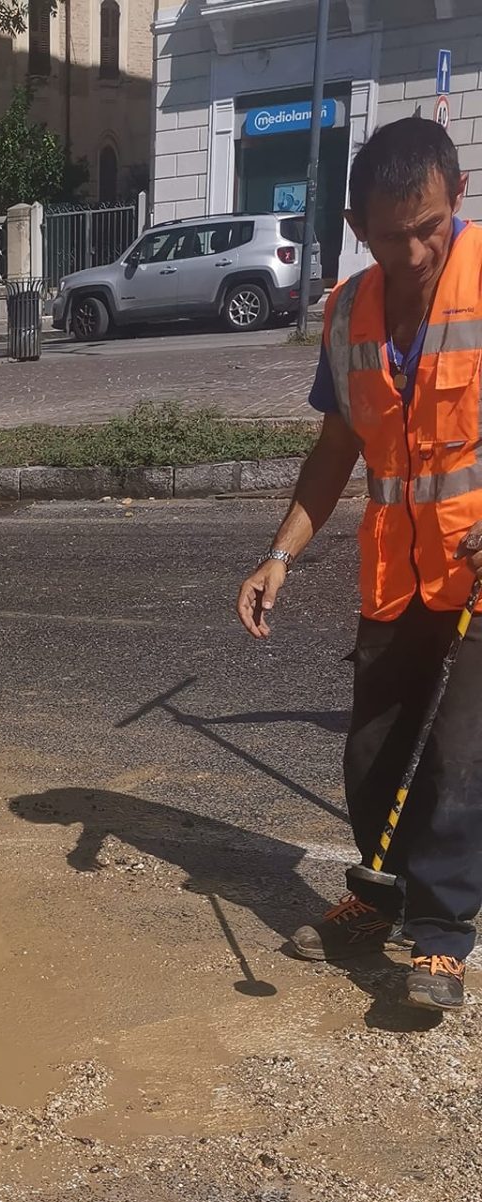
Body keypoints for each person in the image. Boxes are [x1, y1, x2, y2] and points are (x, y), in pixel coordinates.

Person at [237, 119, 482, 1012]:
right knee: (375, 748)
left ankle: (443, 933)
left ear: (458, 197)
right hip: (393, 575)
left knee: (458, 754)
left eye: (429, 228)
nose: (413, 252)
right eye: (390, 236)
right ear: (355, 228)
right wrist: (280, 555)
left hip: (475, 573)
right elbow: (337, 449)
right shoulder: (347, 312)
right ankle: (380, 896)